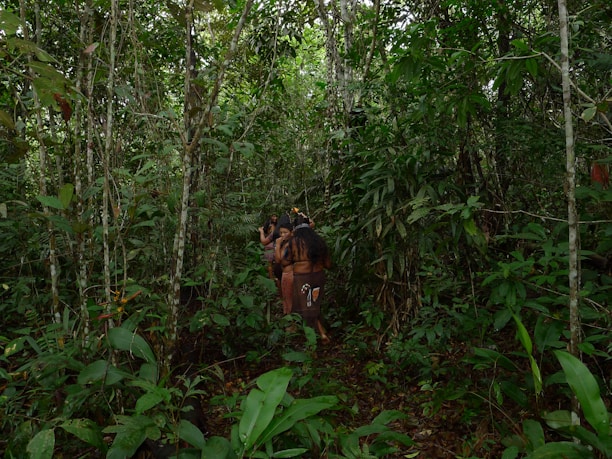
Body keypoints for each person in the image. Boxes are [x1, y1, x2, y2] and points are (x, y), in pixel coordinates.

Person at [285, 214, 331, 343]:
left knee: (307, 305)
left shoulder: (293, 242)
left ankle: (320, 335)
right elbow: (328, 264)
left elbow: (284, 261)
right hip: (318, 276)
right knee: (313, 303)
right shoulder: (319, 240)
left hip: (302, 278)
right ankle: (321, 331)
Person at [274, 219, 294, 314]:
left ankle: (291, 323)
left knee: (288, 298)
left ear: (291, 232)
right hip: (288, 273)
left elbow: (278, 260)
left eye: (285, 232)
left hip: (288, 273)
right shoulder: (288, 242)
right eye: (281, 232)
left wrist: (277, 245)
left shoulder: (288, 244)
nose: (282, 235)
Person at [258, 214, 278, 281]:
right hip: (270, 247)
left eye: (275, 216)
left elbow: (264, 241)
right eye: (273, 216)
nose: (275, 218)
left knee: (272, 264)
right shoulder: (270, 225)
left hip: (273, 246)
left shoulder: (276, 228)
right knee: (270, 264)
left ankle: (273, 278)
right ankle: (272, 278)